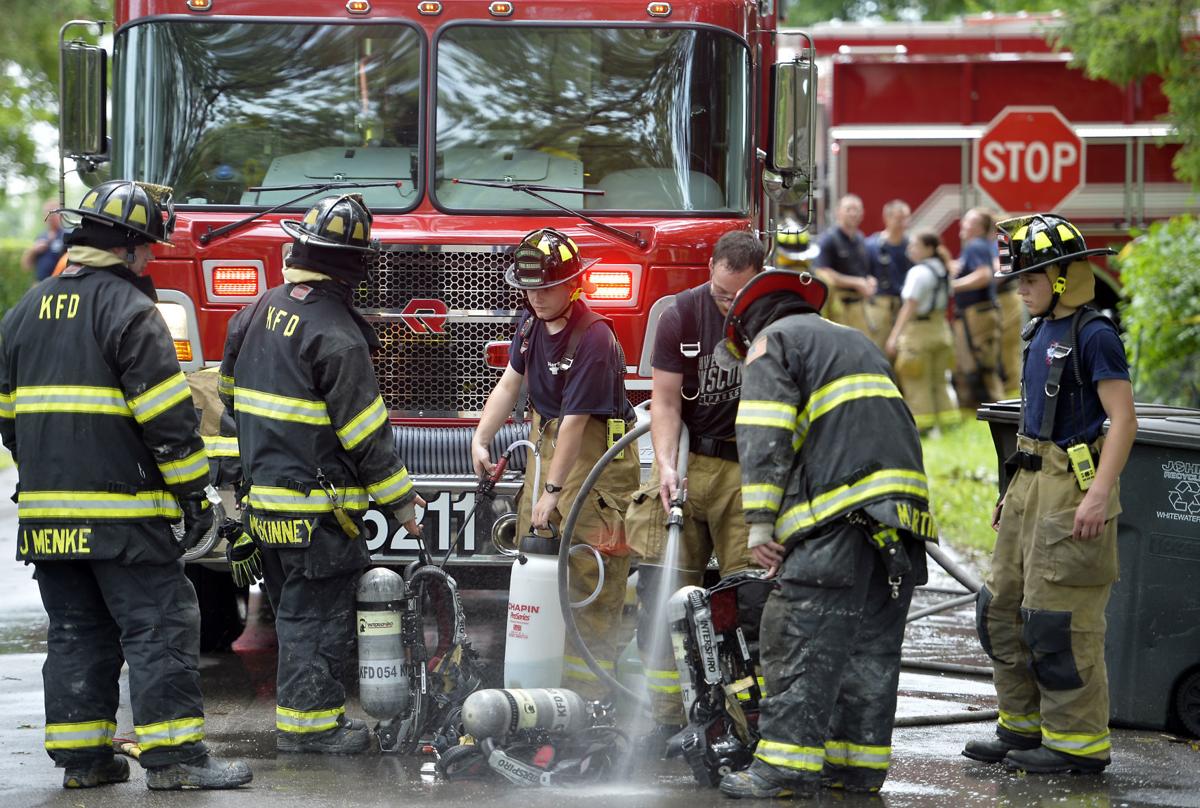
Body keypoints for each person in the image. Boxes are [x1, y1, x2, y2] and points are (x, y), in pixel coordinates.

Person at [0, 180, 251, 790]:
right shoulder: (131, 312)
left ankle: (85, 763)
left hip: (46, 518)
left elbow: (10, 422)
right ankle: (177, 762)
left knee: (77, 631)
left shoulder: (24, 312)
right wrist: (195, 499)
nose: (151, 261)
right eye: (149, 249)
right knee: (160, 625)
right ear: (133, 247)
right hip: (123, 519)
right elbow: (169, 422)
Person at [715, 269, 936, 800]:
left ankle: (784, 769)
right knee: (867, 650)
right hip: (899, 526)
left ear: (750, 326)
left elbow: (764, 432)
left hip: (838, 521)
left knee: (796, 638)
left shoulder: (774, 343)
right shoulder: (852, 340)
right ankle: (856, 767)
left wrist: (761, 524)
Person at [219, 194, 421, 755]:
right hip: (318, 517)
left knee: (289, 613)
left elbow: (229, 411)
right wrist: (404, 506)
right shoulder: (338, 334)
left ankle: (303, 720)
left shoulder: (252, 313)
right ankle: (312, 729)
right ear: (354, 266)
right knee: (318, 619)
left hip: (266, 509)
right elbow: (365, 437)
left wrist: (236, 497)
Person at [964, 214, 1136, 775]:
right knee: (1003, 610)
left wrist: (1097, 495)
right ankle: (1022, 725)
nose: (1021, 287)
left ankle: (1076, 743)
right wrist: (1011, 491)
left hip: (1072, 490)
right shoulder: (1040, 330)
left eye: (1032, 277)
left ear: (1064, 277)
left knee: (1059, 621)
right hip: (1029, 484)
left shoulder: (1095, 334)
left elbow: (1123, 420)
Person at [471, 228, 637, 699]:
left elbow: (575, 422)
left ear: (574, 284)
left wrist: (554, 492)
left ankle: (588, 701)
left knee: (589, 576)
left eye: (546, 288)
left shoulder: (594, 338)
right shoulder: (529, 324)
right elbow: (509, 383)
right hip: (548, 448)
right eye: (529, 288)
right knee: (534, 568)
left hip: (594, 463)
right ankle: (538, 692)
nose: (536, 297)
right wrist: (481, 435)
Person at [624, 230, 764, 751]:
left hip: (746, 470)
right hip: (688, 461)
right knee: (660, 596)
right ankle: (667, 718)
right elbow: (664, 403)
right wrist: (664, 467)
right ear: (710, 269)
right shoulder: (680, 314)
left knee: (748, 603)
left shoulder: (772, 316)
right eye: (722, 293)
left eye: (739, 295)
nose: (729, 304)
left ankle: (744, 721)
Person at [885, 230, 960, 433]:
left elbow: (909, 306)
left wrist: (894, 337)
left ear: (928, 248)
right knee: (940, 381)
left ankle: (924, 428)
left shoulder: (918, 273)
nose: (910, 249)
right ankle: (948, 424)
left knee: (916, 381)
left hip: (919, 333)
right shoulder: (943, 269)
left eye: (915, 245)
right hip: (941, 330)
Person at [951, 208, 1006, 407]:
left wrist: (953, 285)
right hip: (978, 313)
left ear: (978, 228)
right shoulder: (977, 246)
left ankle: (997, 408)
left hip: (978, 315)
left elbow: (983, 275)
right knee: (974, 363)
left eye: (967, 222)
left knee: (983, 366)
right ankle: (979, 408)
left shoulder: (975, 246)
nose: (962, 226)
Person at [812, 194, 879, 343]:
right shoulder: (829, 239)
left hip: (860, 307)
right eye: (849, 209)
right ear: (838, 212)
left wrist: (869, 280)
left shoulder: (861, 239)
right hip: (838, 308)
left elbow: (863, 271)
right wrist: (857, 283)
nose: (854, 213)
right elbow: (824, 272)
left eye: (857, 210)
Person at [865, 199, 913, 353]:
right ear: (887, 218)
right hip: (880, 307)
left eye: (906, 218)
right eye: (899, 219)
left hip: (905, 307)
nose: (903, 223)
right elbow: (862, 273)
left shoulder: (912, 247)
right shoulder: (871, 246)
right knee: (878, 352)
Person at [21, 199, 65, 281]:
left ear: (61, 215)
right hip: (40, 285)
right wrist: (33, 250)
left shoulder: (66, 236)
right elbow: (26, 266)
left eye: (53, 212)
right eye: (47, 213)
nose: (50, 216)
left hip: (59, 285)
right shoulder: (40, 237)